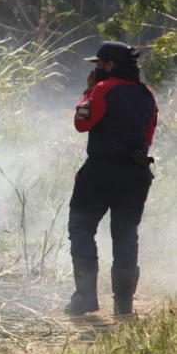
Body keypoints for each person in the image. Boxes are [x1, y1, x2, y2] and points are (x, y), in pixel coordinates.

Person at [65, 41, 158, 317]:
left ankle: (85, 298)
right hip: (136, 173)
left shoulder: (103, 88)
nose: (95, 70)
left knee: (81, 227)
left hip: (102, 171)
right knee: (126, 234)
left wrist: (88, 91)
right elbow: (148, 137)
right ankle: (124, 306)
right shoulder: (147, 94)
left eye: (98, 64)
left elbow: (82, 123)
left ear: (109, 65)